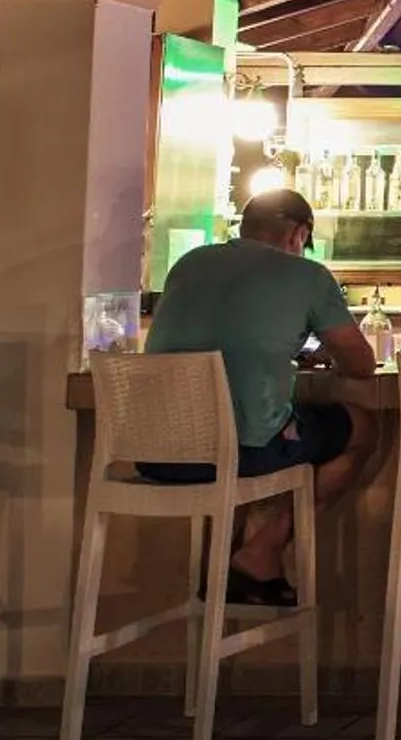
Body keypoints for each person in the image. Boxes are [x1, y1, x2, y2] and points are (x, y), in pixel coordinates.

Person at [141, 189, 380, 605]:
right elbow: (361, 365)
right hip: (237, 454)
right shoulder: (308, 276)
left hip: (155, 452)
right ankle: (261, 552)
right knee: (361, 427)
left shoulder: (188, 264)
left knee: (250, 423)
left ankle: (223, 572)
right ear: (298, 234)